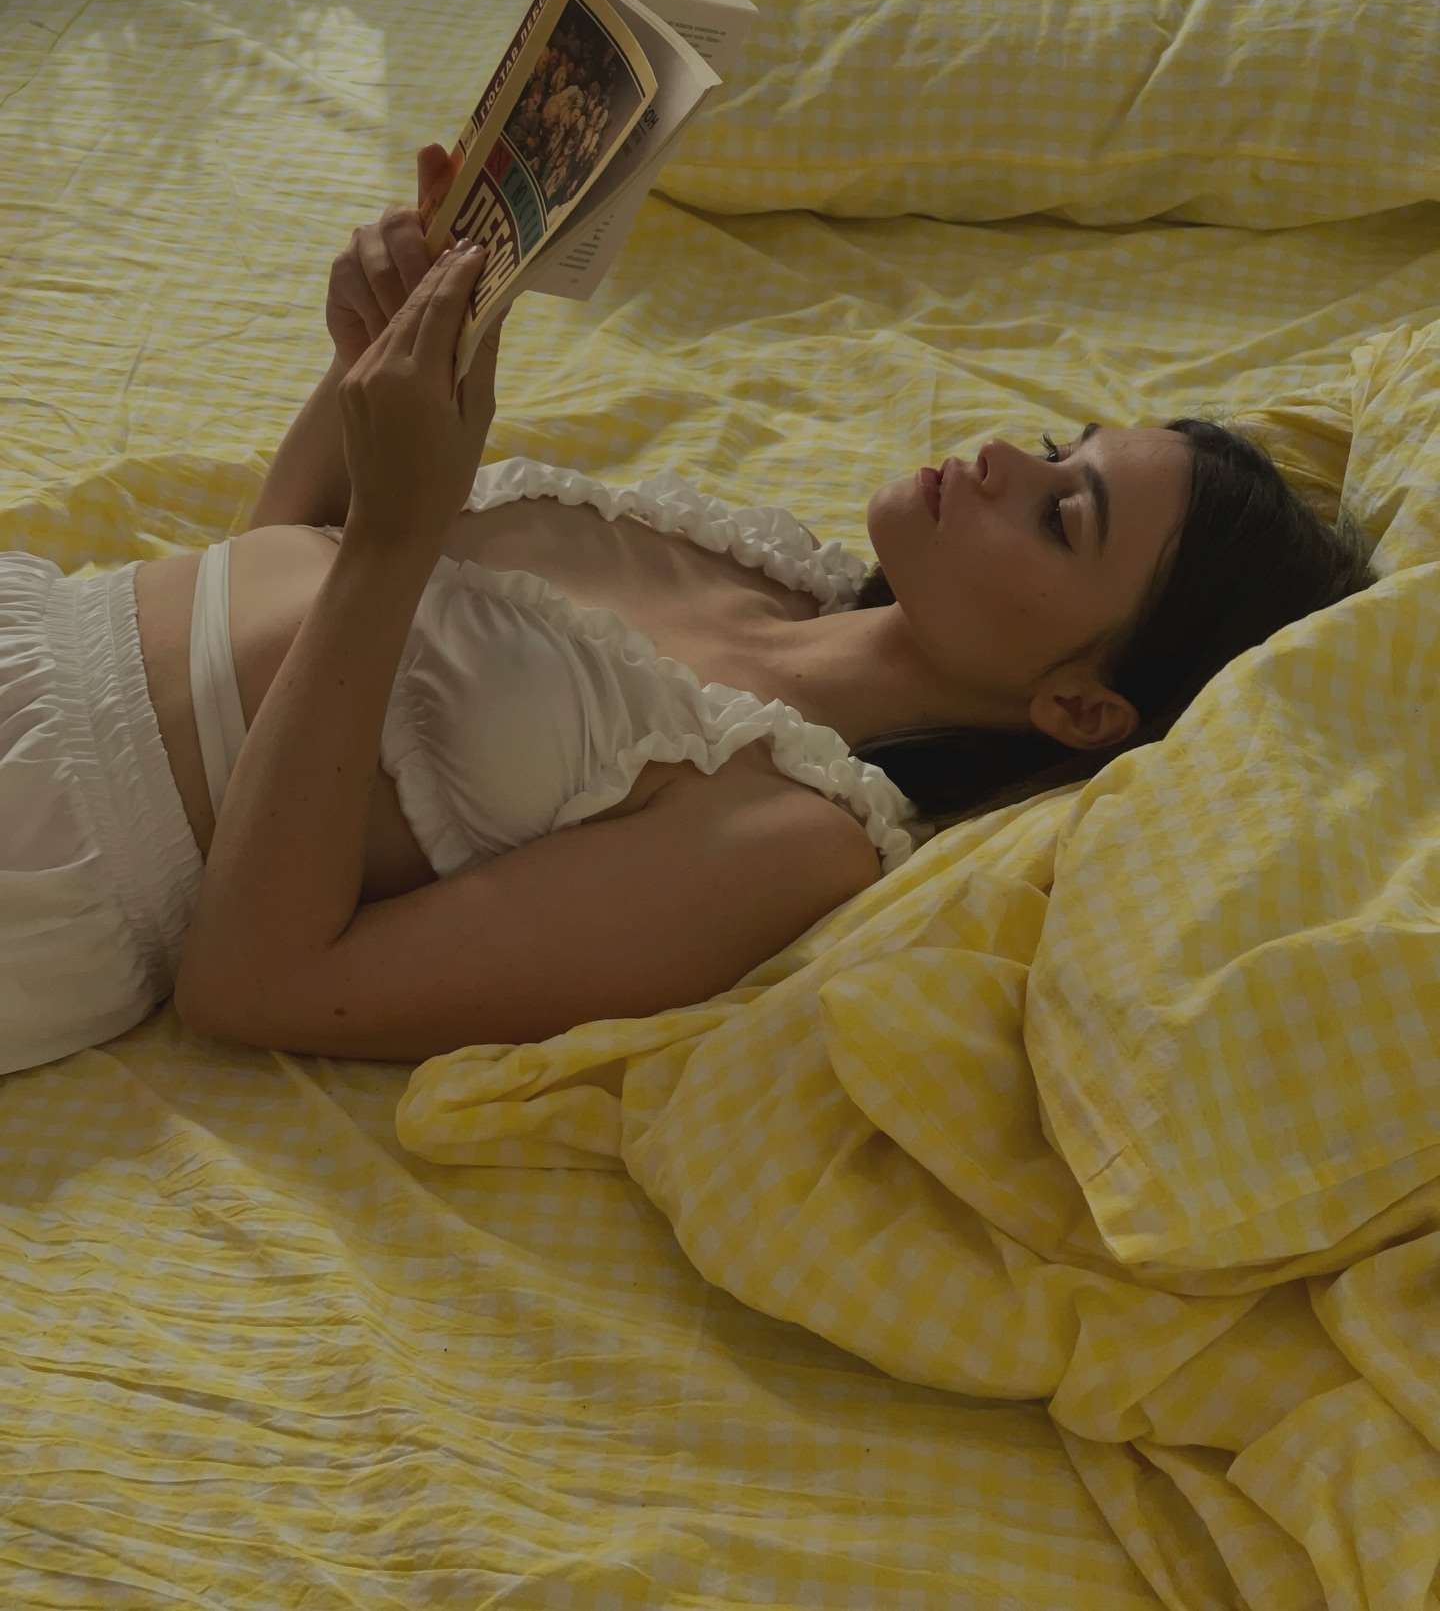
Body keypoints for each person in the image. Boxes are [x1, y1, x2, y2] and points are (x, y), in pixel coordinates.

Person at [0, 144, 1375, 1077]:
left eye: (1063, 514)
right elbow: (274, 586)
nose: (1009, 458)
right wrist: (378, 363)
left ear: (1079, 706)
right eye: (1064, 446)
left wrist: (401, 532)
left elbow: (257, 986)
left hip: (54, 841)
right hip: (39, 627)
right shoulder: (757, 556)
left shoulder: (788, 839)